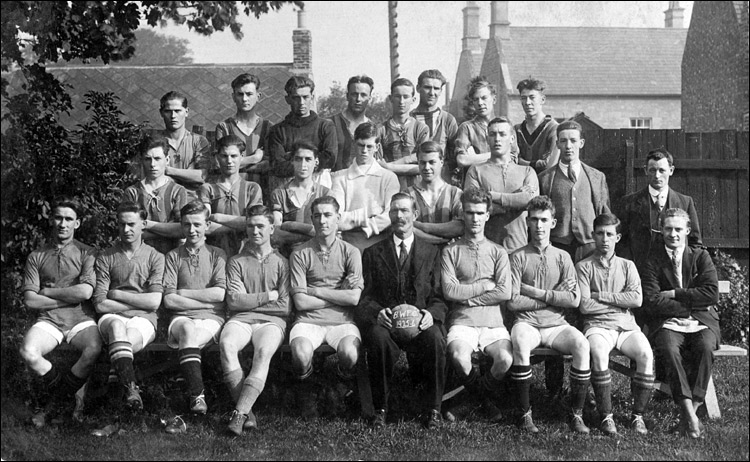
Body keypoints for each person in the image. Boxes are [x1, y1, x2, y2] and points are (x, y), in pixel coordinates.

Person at [356, 193, 448, 429]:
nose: (400, 216)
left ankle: (434, 409)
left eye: (405, 211)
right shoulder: (373, 253)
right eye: (395, 211)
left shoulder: (432, 252)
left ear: (415, 215)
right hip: (387, 323)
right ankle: (381, 409)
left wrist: (431, 314)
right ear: (389, 215)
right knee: (377, 338)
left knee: (437, 338)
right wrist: (377, 313)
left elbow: (438, 296)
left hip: (419, 323)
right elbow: (365, 298)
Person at [507, 195, 591, 434]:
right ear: (527, 223)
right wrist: (554, 297)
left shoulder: (563, 257)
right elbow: (513, 302)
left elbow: (574, 299)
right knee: (521, 341)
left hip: (556, 325)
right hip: (527, 323)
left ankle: (577, 414)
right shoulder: (518, 257)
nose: (539, 226)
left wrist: (536, 293)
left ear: (553, 223)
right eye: (534, 220)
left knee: (581, 344)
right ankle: (525, 414)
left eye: (544, 220)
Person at [19, 196, 101, 426]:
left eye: (68, 219)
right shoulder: (36, 256)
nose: (62, 224)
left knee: (93, 349)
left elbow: (85, 293)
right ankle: (66, 401)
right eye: (58, 218)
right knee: (28, 351)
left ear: (77, 223)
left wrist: (48, 292)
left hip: (81, 319)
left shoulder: (88, 253)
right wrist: (66, 298)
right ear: (51, 220)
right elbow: (30, 301)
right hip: (50, 320)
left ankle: (52, 405)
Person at [641, 208, 719, 439]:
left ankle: (690, 414)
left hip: (702, 321)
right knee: (668, 349)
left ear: (687, 230)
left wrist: (675, 293)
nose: (673, 234)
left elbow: (712, 294)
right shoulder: (653, 261)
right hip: (668, 321)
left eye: (678, 229)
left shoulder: (700, 256)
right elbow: (653, 301)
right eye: (668, 228)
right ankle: (691, 415)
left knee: (705, 348)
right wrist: (691, 304)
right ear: (661, 230)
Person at [576, 213, 653, 435]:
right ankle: (606, 416)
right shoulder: (584, 267)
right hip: (597, 326)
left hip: (626, 327)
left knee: (646, 354)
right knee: (599, 352)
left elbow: (637, 299)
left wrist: (601, 295)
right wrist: (619, 303)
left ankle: (637, 416)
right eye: (600, 234)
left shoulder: (628, 266)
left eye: (610, 234)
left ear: (618, 237)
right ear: (593, 235)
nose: (605, 239)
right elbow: (584, 306)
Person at [440, 187, 513, 423]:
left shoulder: (498, 251)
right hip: (463, 320)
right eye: (470, 212)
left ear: (488, 215)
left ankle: (472, 400)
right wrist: (483, 287)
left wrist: (468, 296)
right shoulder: (450, 251)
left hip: (492, 322)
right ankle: (485, 402)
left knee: (505, 359)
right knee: (459, 356)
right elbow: (450, 291)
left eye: (480, 213)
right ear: (463, 213)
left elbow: (504, 292)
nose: (475, 218)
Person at [288, 196, 363, 416]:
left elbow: (354, 299)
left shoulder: (351, 252)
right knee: (301, 354)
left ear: (338, 218)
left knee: (349, 354)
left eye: (328, 215)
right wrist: (340, 292)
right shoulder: (300, 253)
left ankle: (338, 388)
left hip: (342, 320)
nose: (323, 220)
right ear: (311, 219)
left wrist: (317, 291)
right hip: (308, 320)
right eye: (318, 216)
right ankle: (309, 390)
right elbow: (301, 302)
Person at [221, 204, 291, 435]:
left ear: (272, 228)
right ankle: (246, 412)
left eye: (261, 226)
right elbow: (234, 302)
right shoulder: (236, 262)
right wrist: (266, 296)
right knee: (227, 345)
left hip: (272, 322)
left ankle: (239, 413)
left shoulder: (282, 262)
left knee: (263, 353)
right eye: (250, 226)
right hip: (241, 318)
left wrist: (249, 298)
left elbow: (284, 306)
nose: (255, 231)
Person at [161, 201, 227, 434]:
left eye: (197, 224)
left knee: (189, 343)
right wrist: (201, 299)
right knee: (188, 332)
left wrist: (184, 293)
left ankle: (190, 396)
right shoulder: (172, 256)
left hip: (211, 318)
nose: (192, 230)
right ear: (181, 226)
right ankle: (198, 396)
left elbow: (219, 295)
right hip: (180, 319)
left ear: (207, 225)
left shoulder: (218, 255)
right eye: (187, 225)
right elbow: (169, 300)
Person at [93, 201, 164, 411]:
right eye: (122, 224)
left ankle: (116, 405)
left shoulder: (155, 257)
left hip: (144, 320)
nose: (126, 230)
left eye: (132, 224)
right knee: (117, 328)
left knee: (122, 346)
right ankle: (132, 390)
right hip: (112, 317)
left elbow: (154, 301)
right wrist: (135, 304)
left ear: (143, 224)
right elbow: (99, 304)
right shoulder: (106, 256)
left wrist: (116, 294)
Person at [617, 148, 703, 270]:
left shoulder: (685, 202)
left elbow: (695, 243)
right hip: (639, 273)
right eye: (652, 170)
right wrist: (631, 269)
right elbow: (621, 243)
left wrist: (683, 266)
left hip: (674, 272)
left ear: (671, 170)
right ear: (645, 170)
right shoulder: (629, 203)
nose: (657, 175)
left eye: (662, 170)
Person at [538, 120, 610, 263]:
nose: (568, 146)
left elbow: (605, 216)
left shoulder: (597, 177)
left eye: (573, 140)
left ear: (581, 143)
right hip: (558, 247)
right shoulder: (545, 179)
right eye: (563, 141)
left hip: (590, 248)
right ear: (557, 144)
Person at [464, 116, 538, 252]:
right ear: (487, 139)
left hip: (519, 250)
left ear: (512, 139)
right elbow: (475, 208)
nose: (497, 139)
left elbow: (530, 201)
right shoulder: (476, 171)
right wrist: (516, 200)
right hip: (485, 251)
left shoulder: (527, 171)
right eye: (492, 134)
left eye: (502, 134)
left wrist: (491, 196)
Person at [330, 122, 400, 252]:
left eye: (369, 146)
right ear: (354, 143)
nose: (364, 151)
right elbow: (335, 218)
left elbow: (391, 215)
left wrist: (366, 226)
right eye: (360, 145)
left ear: (377, 147)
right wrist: (365, 214)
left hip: (382, 245)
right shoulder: (340, 178)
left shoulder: (389, 178)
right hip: (349, 246)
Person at [267, 75, 338, 191]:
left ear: (312, 97)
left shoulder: (325, 126)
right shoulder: (278, 130)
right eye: (296, 98)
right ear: (288, 99)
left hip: (318, 185)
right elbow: (278, 166)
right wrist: (314, 161)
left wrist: (291, 158)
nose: (301, 102)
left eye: (305, 97)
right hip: (287, 188)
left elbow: (330, 159)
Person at [199, 134, 263, 258]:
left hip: (245, 255)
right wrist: (241, 225)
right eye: (224, 156)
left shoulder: (252, 188)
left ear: (241, 157)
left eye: (233, 156)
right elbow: (205, 227)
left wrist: (217, 217)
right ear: (217, 157)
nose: (229, 161)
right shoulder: (207, 188)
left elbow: (255, 222)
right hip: (213, 253)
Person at [123, 135, 189, 255]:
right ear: (142, 160)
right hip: (140, 258)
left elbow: (182, 230)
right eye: (148, 159)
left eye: (158, 158)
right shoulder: (132, 192)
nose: (153, 164)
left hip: (170, 257)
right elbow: (129, 231)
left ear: (167, 160)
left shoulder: (178, 191)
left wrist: (146, 224)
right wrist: (168, 230)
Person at [214, 73, 272, 199]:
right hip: (230, 194)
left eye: (249, 94)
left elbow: (270, 164)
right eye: (240, 94)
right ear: (233, 97)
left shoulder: (268, 127)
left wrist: (236, 165)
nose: (245, 99)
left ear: (258, 96)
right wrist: (254, 159)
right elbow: (218, 165)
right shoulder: (224, 127)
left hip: (262, 193)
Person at [270, 141, 331, 256]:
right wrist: (312, 231)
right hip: (287, 257)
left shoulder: (325, 194)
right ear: (292, 161)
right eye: (298, 159)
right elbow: (276, 234)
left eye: (308, 159)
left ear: (316, 162)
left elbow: (328, 233)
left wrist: (290, 225)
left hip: (318, 257)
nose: (303, 165)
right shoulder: (279, 194)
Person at [406, 141, 464, 245]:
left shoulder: (455, 193)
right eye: (423, 162)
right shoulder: (407, 194)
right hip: (417, 256)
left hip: (448, 255)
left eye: (432, 162)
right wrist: (435, 239)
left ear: (441, 162)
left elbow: (461, 226)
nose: (427, 167)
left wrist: (424, 227)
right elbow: (402, 226)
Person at [154, 91, 210, 196]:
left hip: (192, 201)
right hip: (163, 198)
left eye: (177, 111)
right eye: (168, 111)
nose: (173, 116)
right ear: (161, 113)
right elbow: (152, 177)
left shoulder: (199, 142)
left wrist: (167, 170)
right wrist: (188, 174)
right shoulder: (155, 143)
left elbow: (201, 177)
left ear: (187, 112)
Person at [377, 77, 430, 190]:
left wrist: (391, 166)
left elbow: (424, 165)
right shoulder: (381, 130)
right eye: (397, 96)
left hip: (417, 187)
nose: (401, 102)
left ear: (413, 99)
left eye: (406, 97)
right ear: (391, 98)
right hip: (388, 186)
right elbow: (378, 165)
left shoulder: (420, 128)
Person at [411, 70, 459, 183]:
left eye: (436, 88)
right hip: (413, 183)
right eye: (427, 87)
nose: (432, 93)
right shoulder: (409, 119)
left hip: (441, 184)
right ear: (418, 88)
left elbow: (454, 156)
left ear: (441, 91)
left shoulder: (448, 120)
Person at [454, 77, 496, 185]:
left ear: (494, 99)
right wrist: (497, 155)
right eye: (476, 99)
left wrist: (474, 158)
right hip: (475, 184)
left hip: (500, 183)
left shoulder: (505, 126)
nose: (480, 103)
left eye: (484, 98)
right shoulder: (467, 128)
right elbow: (462, 160)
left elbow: (513, 159)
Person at [514, 78, 559, 173]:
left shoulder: (553, 129)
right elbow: (512, 161)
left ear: (542, 100)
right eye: (523, 98)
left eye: (532, 97)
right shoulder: (516, 130)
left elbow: (549, 164)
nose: (527, 102)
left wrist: (523, 162)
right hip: (521, 184)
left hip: (545, 183)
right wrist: (536, 163)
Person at [329, 75, 374, 171]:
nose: (358, 99)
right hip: (335, 182)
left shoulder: (374, 128)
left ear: (369, 97)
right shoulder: (330, 124)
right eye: (354, 94)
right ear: (347, 96)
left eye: (363, 95)